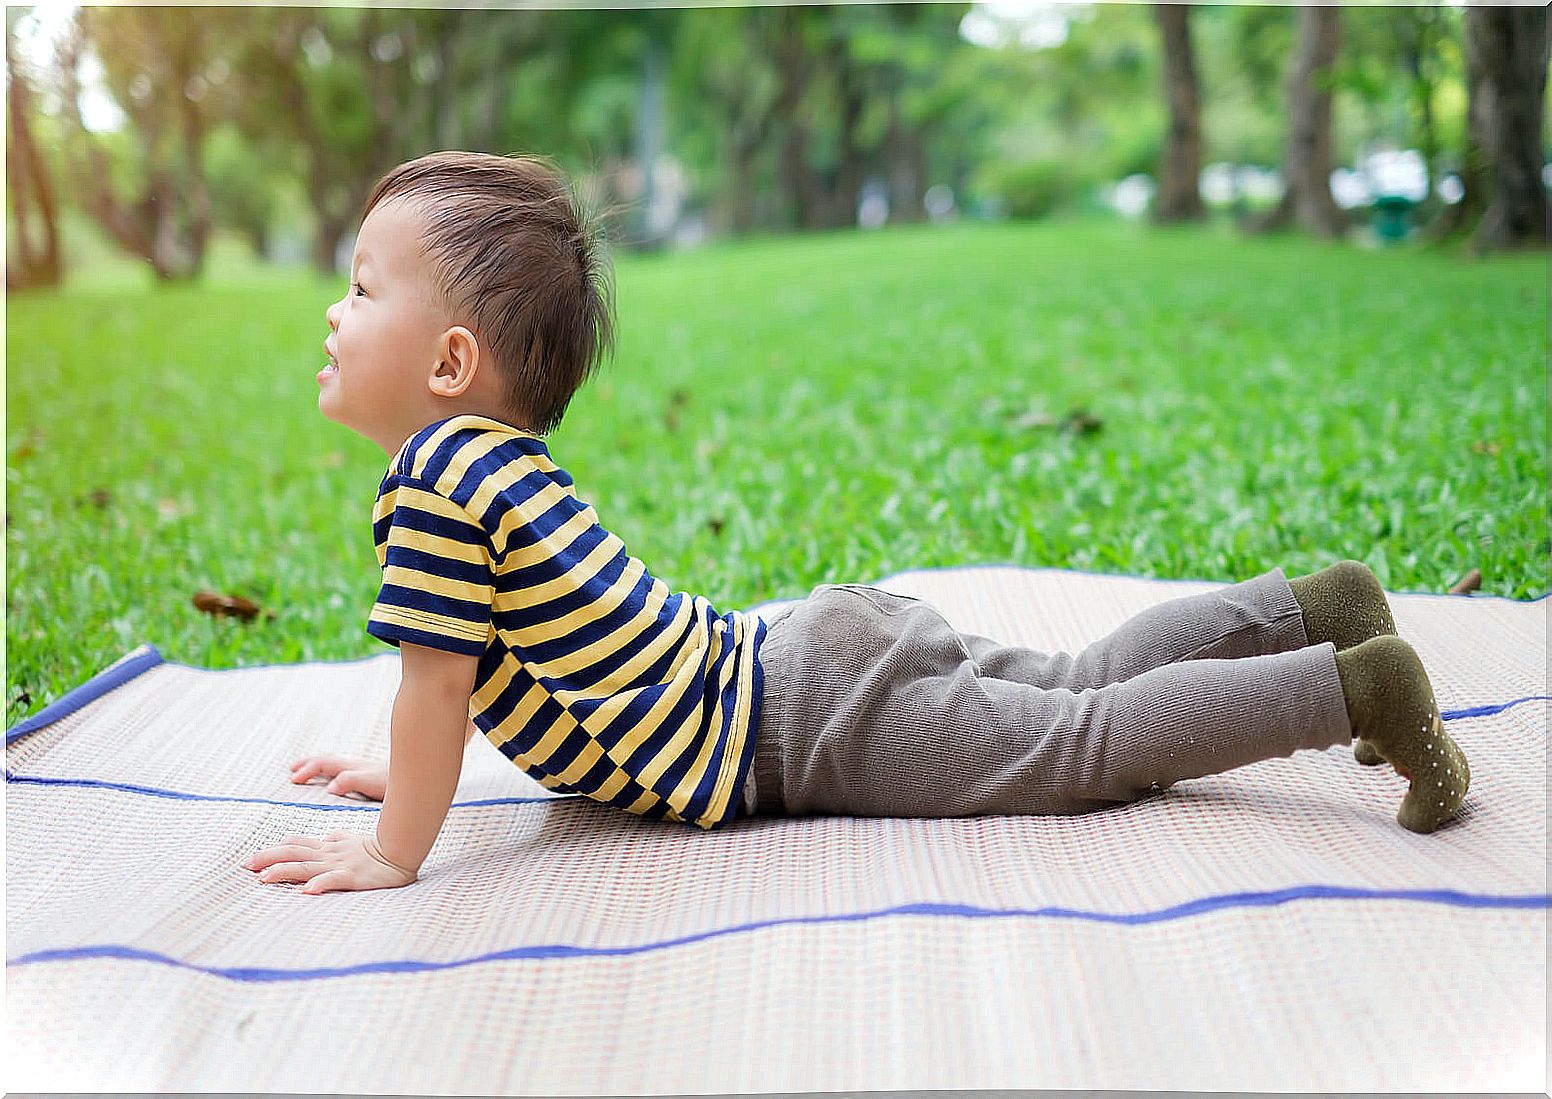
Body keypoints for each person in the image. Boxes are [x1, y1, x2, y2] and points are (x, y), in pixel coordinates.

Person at [243, 151, 1470, 896]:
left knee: (1082, 741)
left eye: (360, 286)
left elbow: (438, 687)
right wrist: (411, 773)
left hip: (801, 722)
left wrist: (397, 848)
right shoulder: (499, 465)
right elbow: (498, 680)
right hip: (802, 660)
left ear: (452, 360)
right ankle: (1315, 607)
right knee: (1072, 680)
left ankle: (1351, 692)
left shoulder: (436, 492)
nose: (334, 313)